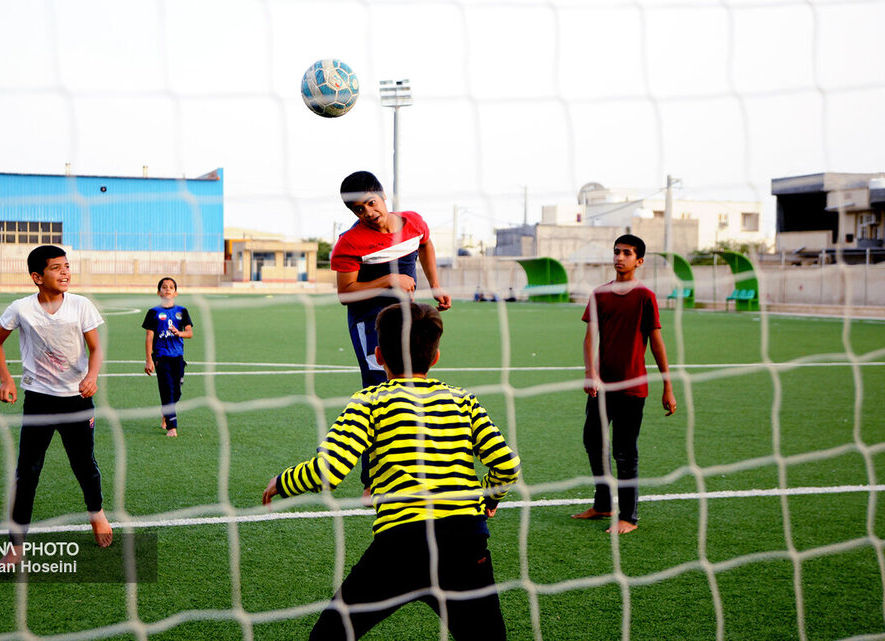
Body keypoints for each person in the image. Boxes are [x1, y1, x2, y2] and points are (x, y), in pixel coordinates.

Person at [262, 302, 520, 640]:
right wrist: (489, 496)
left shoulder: (370, 400)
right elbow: (507, 465)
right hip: (463, 543)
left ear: (378, 355)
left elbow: (329, 470)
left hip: (401, 546)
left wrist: (282, 481)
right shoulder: (463, 400)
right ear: (435, 356)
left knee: (330, 636)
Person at [0, 245, 112, 564]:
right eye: (56, 268)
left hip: (77, 400)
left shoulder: (81, 306)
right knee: (27, 472)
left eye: (67, 266)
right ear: (37, 277)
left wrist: (92, 376)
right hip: (38, 402)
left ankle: (96, 513)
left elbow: (95, 349)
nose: (65, 272)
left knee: (85, 465)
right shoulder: (21, 308)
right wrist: (6, 379)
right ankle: (16, 544)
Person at [331, 170, 452, 492]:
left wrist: (435, 285)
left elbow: (425, 244)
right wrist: (387, 280)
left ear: (384, 197)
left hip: (406, 320)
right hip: (370, 325)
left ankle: (411, 470)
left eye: (371, 203)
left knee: (412, 394)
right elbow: (346, 294)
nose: (369, 213)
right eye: (358, 209)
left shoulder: (413, 222)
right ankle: (372, 481)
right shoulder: (349, 243)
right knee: (380, 398)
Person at [572, 234, 676, 535]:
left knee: (625, 451)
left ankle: (628, 516)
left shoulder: (645, 296)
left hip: (633, 388)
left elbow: (656, 342)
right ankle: (603, 504)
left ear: (639, 261)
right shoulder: (599, 295)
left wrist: (667, 386)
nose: (620, 257)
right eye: (616, 252)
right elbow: (590, 337)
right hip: (601, 386)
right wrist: (590, 371)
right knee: (593, 441)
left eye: (627, 253)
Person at [142, 277, 193, 438]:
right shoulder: (153, 312)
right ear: (159, 292)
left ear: (176, 293)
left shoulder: (182, 311)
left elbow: (190, 333)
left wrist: (180, 333)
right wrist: (149, 359)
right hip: (161, 357)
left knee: (176, 393)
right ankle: (172, 427)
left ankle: (166, 412)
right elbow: (149, 336)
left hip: (178, 358)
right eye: (164, 287)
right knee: (167, 392)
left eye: (171, 287)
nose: (168, 289)